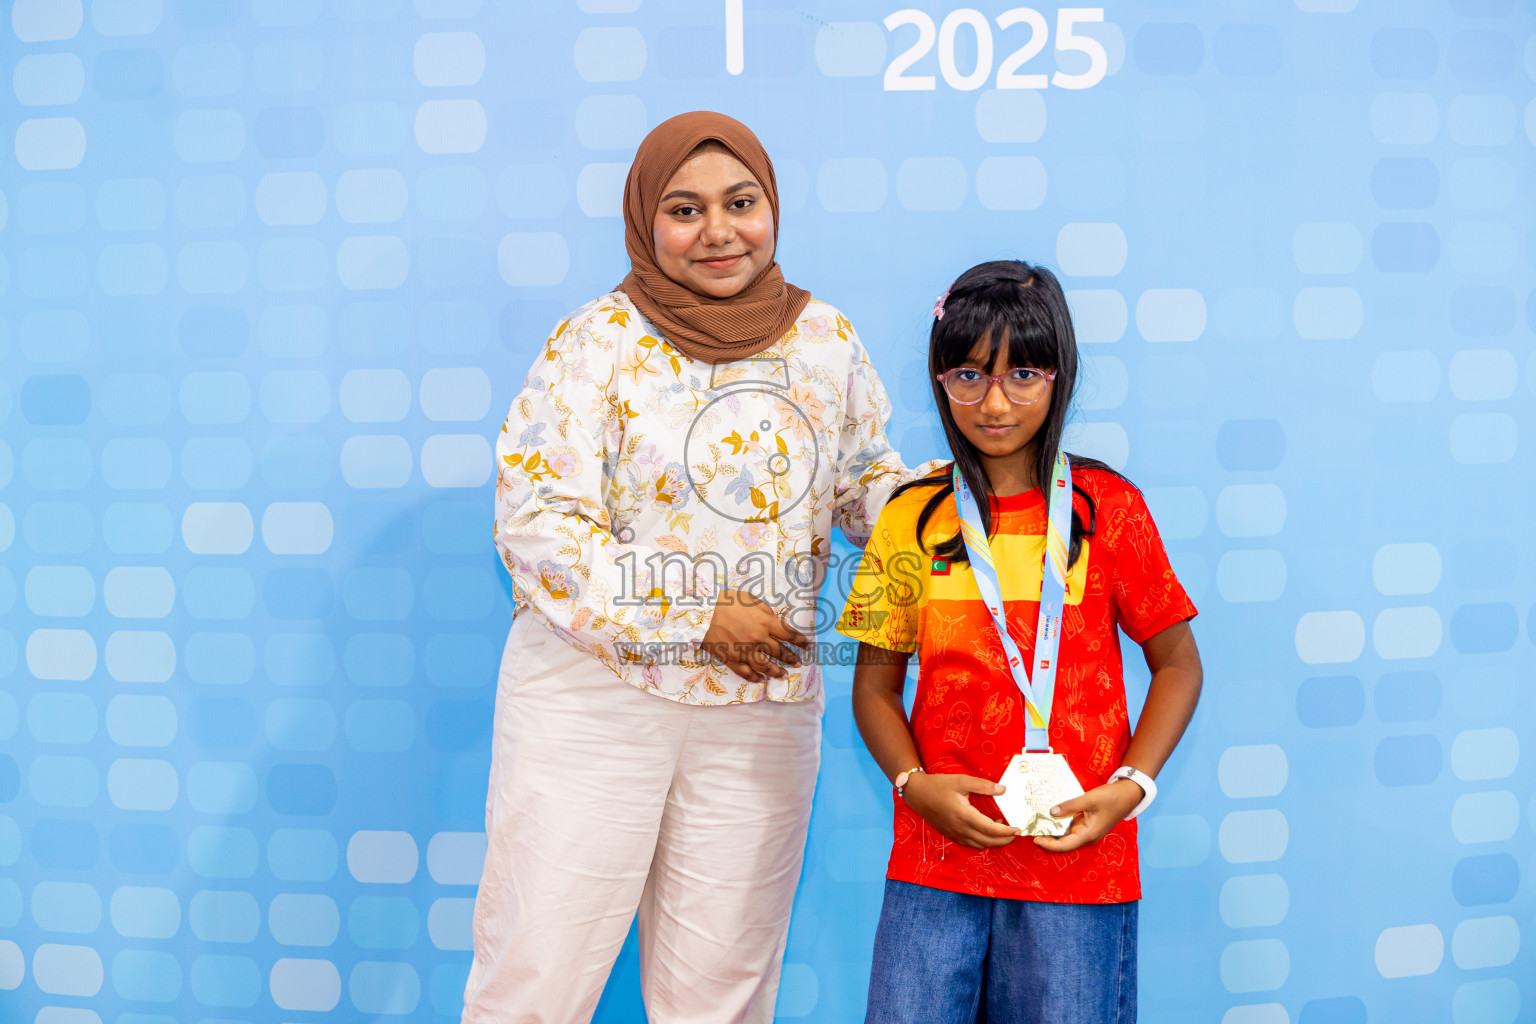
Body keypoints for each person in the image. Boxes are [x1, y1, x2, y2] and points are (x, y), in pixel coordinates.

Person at [465, 111, 937, 1024]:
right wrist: (696, 611)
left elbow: (861, 485)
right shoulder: (594, 343)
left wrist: (961, 510)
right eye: (685, 209)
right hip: (593, 704)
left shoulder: (826, 341)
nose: (719, 230)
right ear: (647, 222)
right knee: (537, 979)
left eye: (741, 203)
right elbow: (538, 526)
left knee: (724, 996)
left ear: (772, 208)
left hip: (758, 719)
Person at [837, 260, 1204, 1024]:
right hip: (936, 857)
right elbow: (873, 689)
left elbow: (1178, 664)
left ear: (1059, 375)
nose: (994, 401)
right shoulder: (910, 519)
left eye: (1023, 374)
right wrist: (913, 785)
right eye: (968, 376)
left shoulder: (1110, 509)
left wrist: (1133, 786)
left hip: (1077, 854)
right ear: (939, 380)